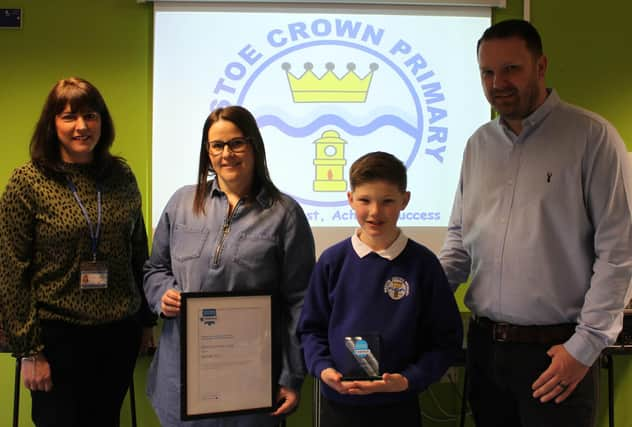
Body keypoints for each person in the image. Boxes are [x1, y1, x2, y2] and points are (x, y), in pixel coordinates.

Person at [439, 19, 632, 427]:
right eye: (487, 72)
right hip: (485, 350)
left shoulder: (592, 138)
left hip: (555, 353)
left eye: (511, 69)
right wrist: (411, 297)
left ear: (541, 67)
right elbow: (459, 240)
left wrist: (584, 348)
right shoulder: (478, 145)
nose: (497, 83)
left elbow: (620, 252)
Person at [143, 105, 315, 427]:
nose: (227, 154)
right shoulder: (181, 203)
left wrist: (291, 376)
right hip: (181, 376)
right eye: (217, 146)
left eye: (237, 143)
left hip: (252, 379)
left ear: (254, 146)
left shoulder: (285, 214)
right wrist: (163, 294)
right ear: (207, 153)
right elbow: (155, 268)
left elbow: (299, 302)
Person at [0, 77, 156, 427]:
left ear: (103, 121)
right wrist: (29, 351)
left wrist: (146, 321)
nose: (82, 126)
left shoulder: (120, 175)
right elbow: (11, 270)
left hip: (117, 333)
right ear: (51, 124)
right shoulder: (27, 181)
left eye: (90, 115)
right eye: (69, 116)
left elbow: (137, 252)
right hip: (56, 339)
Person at [298, 151, 463, 427]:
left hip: (398, 406)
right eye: (365, 200)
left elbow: (445, 340)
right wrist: (322, 368)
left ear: (404, 200)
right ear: (350, 199)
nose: (375, 212)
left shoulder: (423, 265)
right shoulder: (331, 261)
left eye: (387, 201)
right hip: (339, 407)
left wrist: (410, 378)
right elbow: (310, 330)